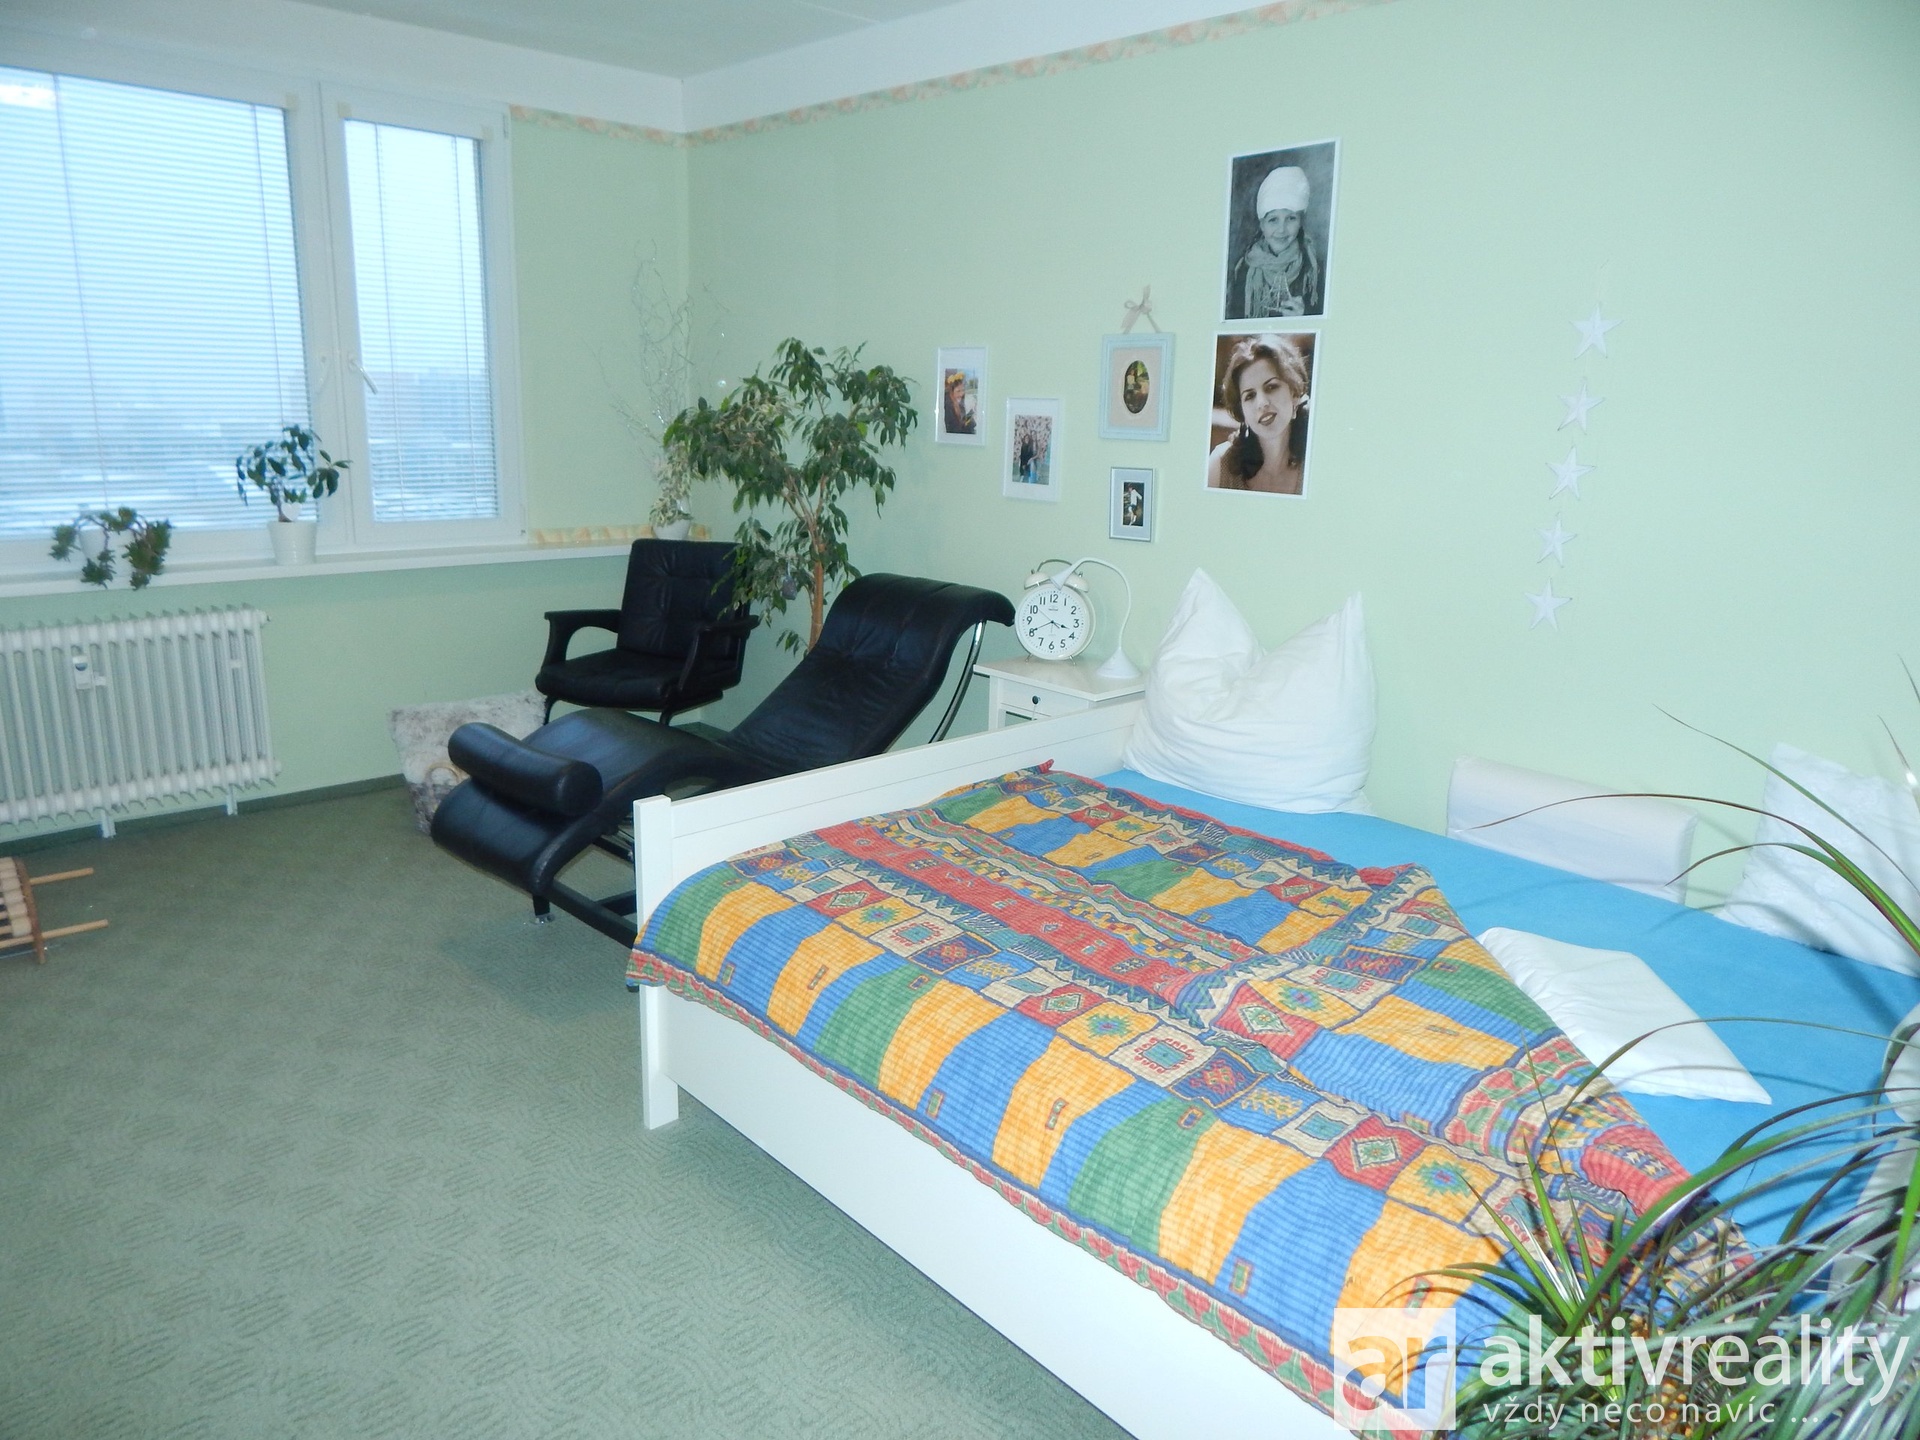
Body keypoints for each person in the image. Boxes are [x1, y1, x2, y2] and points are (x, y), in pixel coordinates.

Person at [1207, 334, 1309, 494]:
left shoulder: (1317, 463)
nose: (1262, 403)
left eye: (1271, 387)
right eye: (1250, 396)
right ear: (1242, 412)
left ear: (1295, 392)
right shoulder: (1219, 467)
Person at [1234, 165, 1322, 318]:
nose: (1282, 229)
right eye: (1273, 220)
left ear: (1300, 222)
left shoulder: (1313, 267)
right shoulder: (1244, 268)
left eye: (1291, 218)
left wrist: (1304, 318)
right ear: (1262, 225)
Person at [942, 369, 975, 435]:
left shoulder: (959, 402)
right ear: (951, 391)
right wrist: (971, 424)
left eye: (963, 390)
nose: (961, 394)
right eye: (958, 391)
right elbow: (954, 430)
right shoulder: (948, 406)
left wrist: (970, 414)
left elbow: (962, 422)